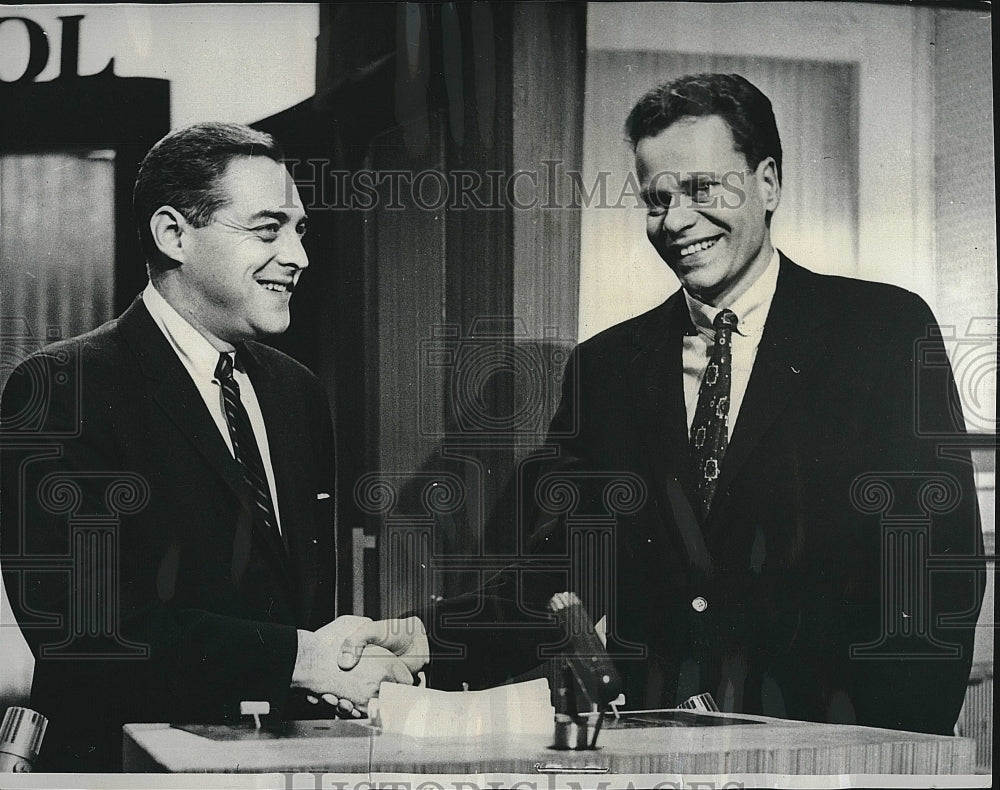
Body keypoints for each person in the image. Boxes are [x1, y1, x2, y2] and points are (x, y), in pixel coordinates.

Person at [426, 73, 984, 736]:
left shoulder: (883, 331)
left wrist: (890, 748)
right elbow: (565, 567)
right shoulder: (606, 367)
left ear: (768, 182)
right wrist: (425, 638)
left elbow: (934, 573)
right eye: (657, 199)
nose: (677, 221)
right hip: (657, 753)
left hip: (838, 753)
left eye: (701, 189)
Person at [0, 122, 426, 772]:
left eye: (300, 230)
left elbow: (297, 606)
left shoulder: (297, 393)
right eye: (267, 229)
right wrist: (307, 659)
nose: (298, 256)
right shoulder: (62, 389)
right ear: (173, 234)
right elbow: (85, 638)